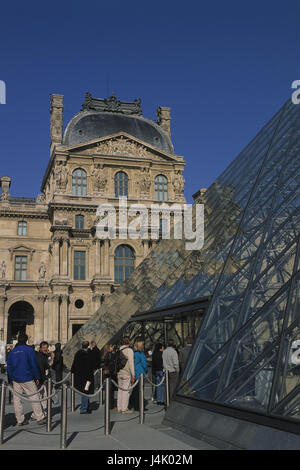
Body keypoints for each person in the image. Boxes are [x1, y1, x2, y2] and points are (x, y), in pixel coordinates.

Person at [6, 333, 46, 426]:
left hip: (16, 379)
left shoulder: (12, 351)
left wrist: (11, 380)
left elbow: (9, 367)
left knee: (17, 400)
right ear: (26, 340)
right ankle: (39, 417)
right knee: (34, 397)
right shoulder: (29, 350)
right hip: (27, 377)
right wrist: (37, 377)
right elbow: (33, 364)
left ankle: (20, 420)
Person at [71, 340, 95, 414]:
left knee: (85, 391)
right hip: (87, 377)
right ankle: (84, 408)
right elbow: (91, 366)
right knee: (86, 391)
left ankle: (86, 406)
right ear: (88, 346)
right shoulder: (88, 354)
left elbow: (73, 365)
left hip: (79, 377)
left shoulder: (78, 353)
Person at [117, 337, 135, 414]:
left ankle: (119, 407)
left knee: (120, 390)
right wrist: (133, 374)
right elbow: (131, 363)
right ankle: (124, 409)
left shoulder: (119, 350)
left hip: (119, 372)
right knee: (126, 391)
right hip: (126, 373)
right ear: (129, 343)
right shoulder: (129, 350)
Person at [130, 338, 149, 411]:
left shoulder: (134, 353)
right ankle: (139, 406)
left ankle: (133, 403)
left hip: (135, 373)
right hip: (141, 373)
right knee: (140, 391)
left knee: (136, 390)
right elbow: (144, 364)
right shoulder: (141, 354)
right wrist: (146, 372)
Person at [102, 343, 116, 409]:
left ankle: (109, 404)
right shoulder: (110, 355)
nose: (112, 347)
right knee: (111, 390)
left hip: (107, 374)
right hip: (110, 373)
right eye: (111, 346)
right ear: (108, 348)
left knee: (109, 390)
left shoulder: (105, 355)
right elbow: (110, 363)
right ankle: (111, 405)